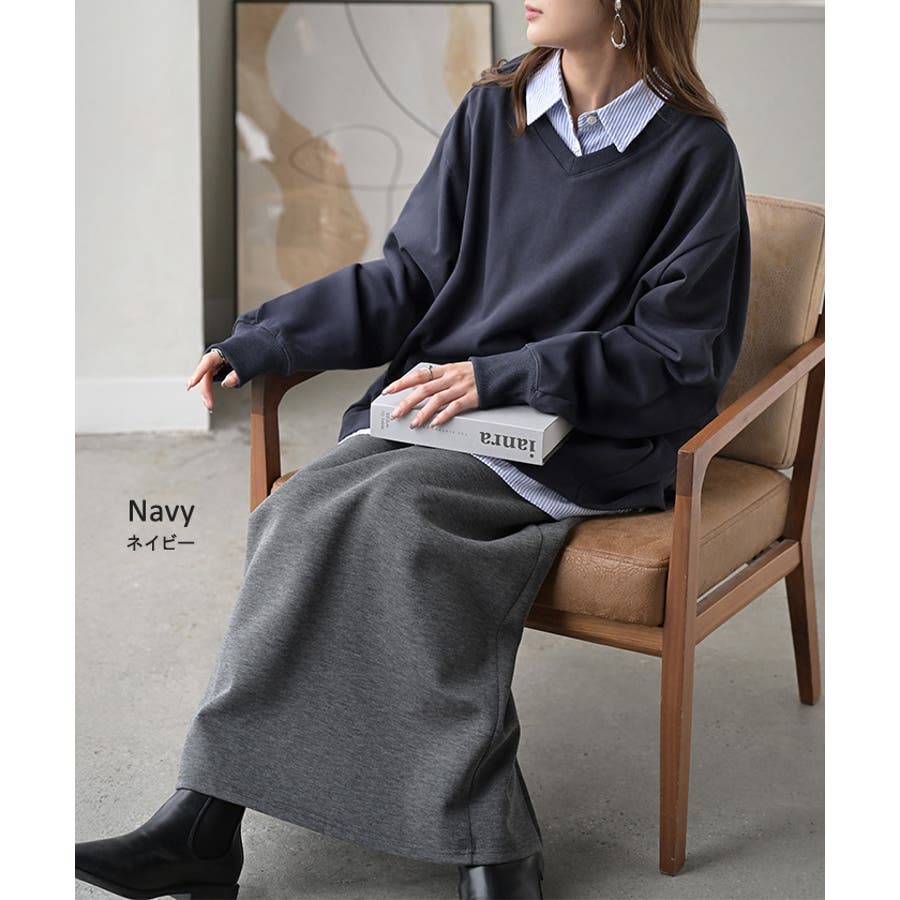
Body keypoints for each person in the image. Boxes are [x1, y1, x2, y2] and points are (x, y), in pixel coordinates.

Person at [75, 1, 751, 898]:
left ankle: (486, 840)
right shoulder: (494, 111)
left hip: (579, 437)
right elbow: (413, 275)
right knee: (295, 510)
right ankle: (205, 817)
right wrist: (267, 337)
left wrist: (508, 374)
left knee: (396, 520)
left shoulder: (695, 155)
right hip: (442, 413)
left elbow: (679, 359)